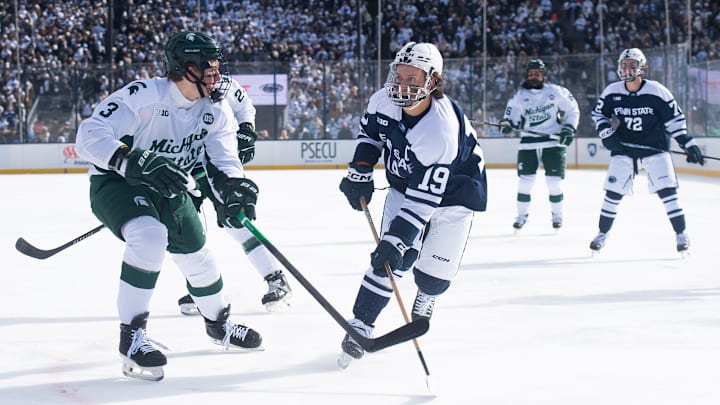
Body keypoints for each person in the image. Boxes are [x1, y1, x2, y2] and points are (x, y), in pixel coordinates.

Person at [75, 31, 263, 381]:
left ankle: (218, 324)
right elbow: (89, 135)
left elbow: (223, 158)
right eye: (209, 69)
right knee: (149, 236)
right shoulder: (144, 95)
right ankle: (131, 337)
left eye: (217, 69)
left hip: (170, 187)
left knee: (199, 257)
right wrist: (132, 160)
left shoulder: (215, 108)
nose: (217, 77)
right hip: (118, 182)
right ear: (185, 68)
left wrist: (233, 187)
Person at [337, 42, 488, 367]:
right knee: (390, 262)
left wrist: (396, 238)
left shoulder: (440, 129)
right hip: (406, 183)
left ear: (433, 82)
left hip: (456, 191)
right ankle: (360, 325)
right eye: (399, 74)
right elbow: (371, 136)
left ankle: (429, 292)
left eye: (413, 78)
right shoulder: (382, 100)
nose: (402, 84)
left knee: (432, 276)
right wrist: (361, 169)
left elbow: (423, 203)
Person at [177, 75, 292, 315]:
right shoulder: (174, 89)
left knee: (236, 219)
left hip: (218, 163)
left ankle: (276, 278)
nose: (215, 74)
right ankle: (203, 287)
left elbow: (245, 107)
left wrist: (246, 130)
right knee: (184, 226)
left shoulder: (223, 83)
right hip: (186, 167)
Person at [588, 48, 705, 254]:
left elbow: (674, 120)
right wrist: (607, 134)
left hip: (655, 148)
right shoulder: (612, 91)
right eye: (624, 65)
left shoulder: (657, 90)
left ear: (642, 68)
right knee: (613, 193)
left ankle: (681, 234)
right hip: (625, 149)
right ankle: (602, 233)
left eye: (632, 65)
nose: (627, 69)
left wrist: (687, 142)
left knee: (668, 192)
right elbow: (599, 114)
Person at [499, 58, 580, 231]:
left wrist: (569, 129)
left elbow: (573, 109)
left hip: (553, 141)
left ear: (543, 75)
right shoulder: (519, 96)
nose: (533, 76)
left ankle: (557, 215)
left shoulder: (556, 92)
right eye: (531, 74)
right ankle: (522, 216)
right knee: (525, 183)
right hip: (529, 142)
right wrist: (507, 125)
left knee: (554, 183)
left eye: (537, 73)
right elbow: (510, 118)